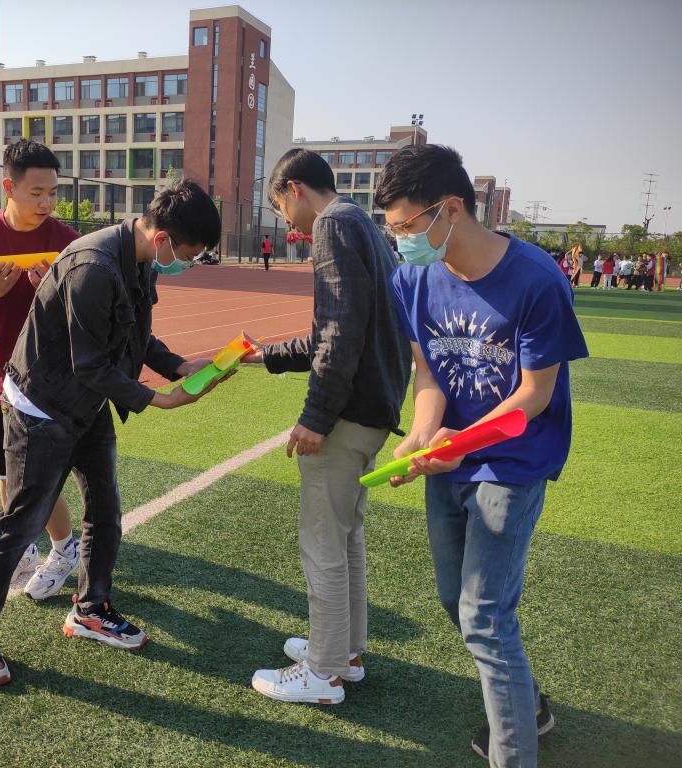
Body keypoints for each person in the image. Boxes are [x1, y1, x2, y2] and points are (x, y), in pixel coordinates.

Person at [0, 179, 225, 689]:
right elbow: (91, 364)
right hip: (42, 405)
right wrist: (162, 399)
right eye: (189, 255)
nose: (187, 264)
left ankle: (91, 608)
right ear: (163, 238)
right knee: (21, 520)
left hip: (85, 400)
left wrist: (178, 365)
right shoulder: (93, 266)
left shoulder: (140, 259)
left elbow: (136, 335)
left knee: (104, 505)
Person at [376, 144, 588, 766]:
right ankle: (530, 705)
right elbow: (429, 376)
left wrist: (460, 443)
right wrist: (422, 435)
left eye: (406, 227)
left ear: (450, 209)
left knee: (486, 617)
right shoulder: (411, 278)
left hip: (512, 462)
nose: (400, 243)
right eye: (392, 232)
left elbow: (534, 396)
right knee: (456, 600)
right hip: (448, 459)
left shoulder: (538, 279)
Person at [244, 149, 411, 706]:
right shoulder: (362, 223)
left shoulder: (332, 225)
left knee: (322, 544)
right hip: (374, 410)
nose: (285, 220)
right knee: (345, 539)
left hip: (348, 415)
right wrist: (265, 355)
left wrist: (315, 418)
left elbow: (338, 334)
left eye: (279, 207)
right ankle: (345, 653)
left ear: (294, 189)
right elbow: (334, 332)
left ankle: (324, 673)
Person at [0, 139, 81, 602]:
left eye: (53, 193)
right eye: (36, 192)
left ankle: (64, 549)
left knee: (38, 480)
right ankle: (25, 547)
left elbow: (82, 314)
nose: (47, 203)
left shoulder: (67, 243)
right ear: (9, 187)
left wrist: (51, 292)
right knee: (7, 475)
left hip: (45, 383)